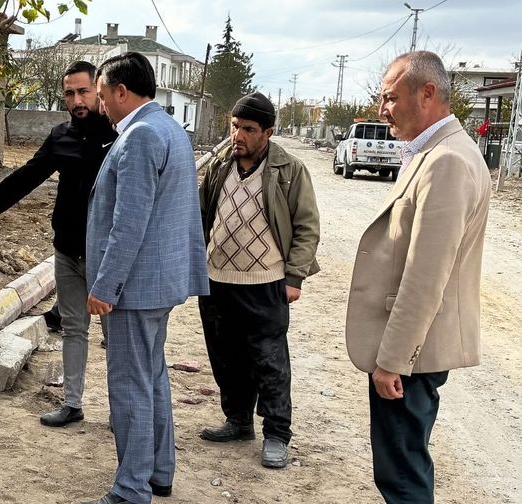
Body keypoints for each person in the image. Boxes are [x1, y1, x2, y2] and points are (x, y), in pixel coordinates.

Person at [346, 51, 491, 504]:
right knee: (401, 469)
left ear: (427, 93)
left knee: (403, 477)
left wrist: (393, 360)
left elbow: (427, 276)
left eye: (390, 98)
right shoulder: (433, 153)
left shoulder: (447, 161)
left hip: (412, 355)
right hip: (412, 351)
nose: (382, 110)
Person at [0, 61, 117, 427]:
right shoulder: (61, 136)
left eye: (83, 91)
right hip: (67, 251)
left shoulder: (118, 136)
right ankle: (72, 404)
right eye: (69, 93)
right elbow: (26, 177)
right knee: (73, 329)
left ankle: (119, 409)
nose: (77, 100)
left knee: (115, 336)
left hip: (106, 254)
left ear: (99, 91)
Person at [82, 52, 209, 504]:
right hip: (157, 283)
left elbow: (129, 223)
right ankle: (157, 471)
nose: (100, 106)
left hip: (133, 289)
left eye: (102, 96)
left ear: (121, 92)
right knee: (151, 375)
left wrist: (105, 286)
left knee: (129, 385)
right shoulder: (168, 128)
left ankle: (131, 488)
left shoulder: (139, 136)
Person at [197, 92, 320, 469]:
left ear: (268, 132)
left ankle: (277, 434)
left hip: (265, 283)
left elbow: (307, 227)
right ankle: (238, 421)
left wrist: (294, 276)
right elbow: (201, 215)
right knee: (225, 356)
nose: (238, 135)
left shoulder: (289, 170)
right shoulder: (219, 164)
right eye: (235, 126)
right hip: (217, 279)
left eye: (248, 129)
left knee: (269, 361)